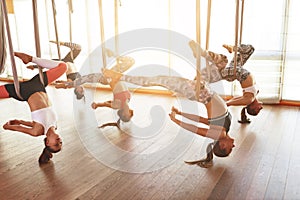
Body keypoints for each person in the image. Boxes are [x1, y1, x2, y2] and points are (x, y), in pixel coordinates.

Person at [102, 68, 235, 167]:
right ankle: (119, 76)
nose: (233, 146)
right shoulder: (223, 130)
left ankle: (119, 76)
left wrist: (176, 120)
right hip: (204, 89)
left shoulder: (217, 134)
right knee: (219, 63)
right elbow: (202, 120)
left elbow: (194, 129)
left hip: (199, 91)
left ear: (222, 145)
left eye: (230, 148)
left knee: (157, 80)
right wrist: (180, 113)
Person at [1, 52, 67, 164]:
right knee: (63, 67)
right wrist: (20, 121)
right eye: (60, 143)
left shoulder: (37, 132)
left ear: (47, 143)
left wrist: (8, 127)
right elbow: (35, 122)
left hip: (23, 92)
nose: (59, 141)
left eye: (56, 144)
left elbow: (21, 129)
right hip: (39, 85)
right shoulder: (54, 125)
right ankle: (30, 58)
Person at [189, 40, 263, 122]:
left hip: (235, 73)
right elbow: (232, 100)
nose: (261, 108)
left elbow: (229, 103)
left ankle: (202, 58)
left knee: (222, 62)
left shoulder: (249, 99)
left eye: (258, 110)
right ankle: (205, 52)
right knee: (249, 49)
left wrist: (224, 105)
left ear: (252, 107)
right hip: (236, 69)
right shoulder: (251, 96)